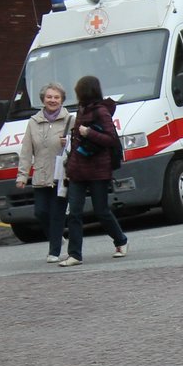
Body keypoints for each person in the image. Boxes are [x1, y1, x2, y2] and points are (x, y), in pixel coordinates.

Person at [60, 75, 129, 267]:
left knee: (101, 210)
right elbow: (76, 143)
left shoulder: (101, 111)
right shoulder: (80, 110)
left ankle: (121, 240)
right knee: (74, 212)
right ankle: (74, 254)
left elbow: (111, 139)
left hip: (99, 169)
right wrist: (69, 166)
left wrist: (88, 132)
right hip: (78, 170)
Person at [16, 82, 71, 262]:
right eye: (49, 97)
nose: (52, 100)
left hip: (62, 175)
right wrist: (22, 175)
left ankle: (54, 252)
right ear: (43, 100)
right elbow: (26, 150)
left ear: (62, 100)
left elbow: (79, 145)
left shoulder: (70, 120)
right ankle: (57, 239)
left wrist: (68, 141)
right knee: (41, 212)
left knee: (57, 214)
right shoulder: (33, 122)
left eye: (56, 97)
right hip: (40, 174)